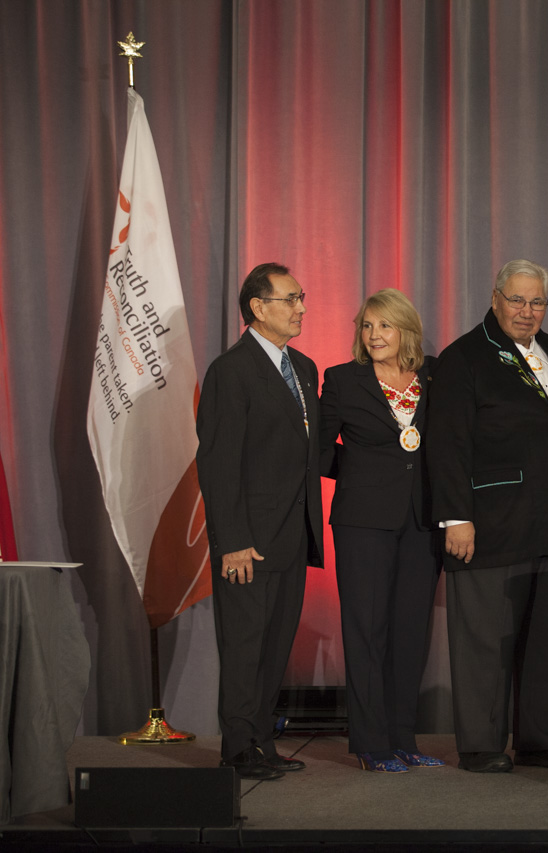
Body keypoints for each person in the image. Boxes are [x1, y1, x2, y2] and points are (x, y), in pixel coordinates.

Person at [425, 259, 548, 773]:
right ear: (495, 298)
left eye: (537, 301)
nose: (527, 311)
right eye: (517, 300)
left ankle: (543, 738)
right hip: (492, 525)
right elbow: (447, 444)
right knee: (485, 639)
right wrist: (455, 517)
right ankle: (480, 744)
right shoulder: (464, 358)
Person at [196, 262, 322, 781]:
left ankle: (263, 742)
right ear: (258, 307)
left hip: (293, 537)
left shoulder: (305, 368)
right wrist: (232, 541)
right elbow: (218, 463)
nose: (301, 308)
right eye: (291, 298)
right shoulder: (232, 370)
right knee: (245, 647)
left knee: (274, 648)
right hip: (248, 543)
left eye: (301, 297)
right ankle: (238, 748)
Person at [318, 289, 444, 773]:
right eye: (367, 327)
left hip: (421, 519)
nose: (374, 336)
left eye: (384, 326)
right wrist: (359, 473)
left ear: (405, 330)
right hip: (362, 520)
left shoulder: (433, 375)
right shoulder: (343, 380)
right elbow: (320, 448)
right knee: (366, 630)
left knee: (410, 631)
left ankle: (402, 737)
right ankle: (371, 744)